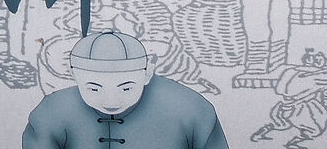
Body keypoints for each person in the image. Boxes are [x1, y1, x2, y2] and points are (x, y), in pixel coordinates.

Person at [22, 30, 227, 149]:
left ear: (147, 74)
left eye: (126, 88)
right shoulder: (50, 114)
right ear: (75, 75)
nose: (111, 101)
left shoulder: (192, 111)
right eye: (94, 89)